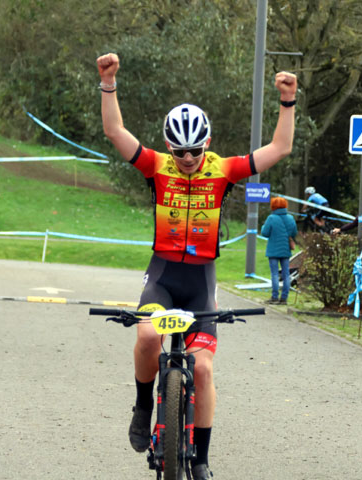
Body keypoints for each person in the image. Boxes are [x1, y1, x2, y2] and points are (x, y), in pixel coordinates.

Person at [97, 52, 296, 480]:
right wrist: (108, 83)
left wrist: (287, 102)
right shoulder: (157, 166)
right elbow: (114, 131)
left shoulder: (223, 170)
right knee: (149, 335)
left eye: (195, 150)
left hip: (202, 278)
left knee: (203, 370)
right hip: (164, 274)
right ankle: (143, 404)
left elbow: (280, 148)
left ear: (206, 143)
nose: (187, 159)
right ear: (170, 147)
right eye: (180, 151)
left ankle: (201, 457)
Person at [261, 197, 298, 305]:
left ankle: (274, 297)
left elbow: (265, 233)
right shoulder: (291, 218)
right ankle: (284, 298)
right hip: (285, 250)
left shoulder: (271, 218)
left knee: (275, 274)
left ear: (273, 206)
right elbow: (294, 233)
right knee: (286, 274)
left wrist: (264, 226)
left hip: (273, 250)